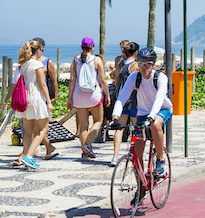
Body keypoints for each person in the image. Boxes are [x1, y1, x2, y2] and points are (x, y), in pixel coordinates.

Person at [110, 47, 172, 175]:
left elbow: (159, 99)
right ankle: (141, 185)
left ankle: (160, 160)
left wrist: (151, 118)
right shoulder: (134, 77)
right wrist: (115, 118)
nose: (144, 67)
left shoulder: (160, 77)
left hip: (162, 109)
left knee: (155, 125)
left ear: (153, 64)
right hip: (143, 113)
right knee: (137, 151)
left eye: (147, 64)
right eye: (141, 64)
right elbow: (121, 98)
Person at [13, 40, 54, 170]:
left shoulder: (22, 65)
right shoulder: (37, 64)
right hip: (36, 99)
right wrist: (48, 102)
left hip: (25, 100)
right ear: (38, 51)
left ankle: (26, 154)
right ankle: (29, 156)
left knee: (28, 131)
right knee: (43, 129)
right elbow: (42, 85)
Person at [68, 37, 109, 159]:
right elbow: (102, 79)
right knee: (98, 121)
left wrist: (70, 98)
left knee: (83, 124)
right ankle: (87, 145)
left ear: (82, 47)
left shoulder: (75, 60)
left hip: (78, 96)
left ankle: (85, 152)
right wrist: (107, 94)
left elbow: (72, 80)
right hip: (93, 96)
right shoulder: (96, 60)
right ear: (93, 47)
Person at [109, 42, 139, 167]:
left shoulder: (120, 65)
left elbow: (115, 79)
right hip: (134, 100)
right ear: (136, 52)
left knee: (119, 128)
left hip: (121, 100)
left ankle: (115, 156)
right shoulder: (136, 65)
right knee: (137, 128)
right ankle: (136, 154)